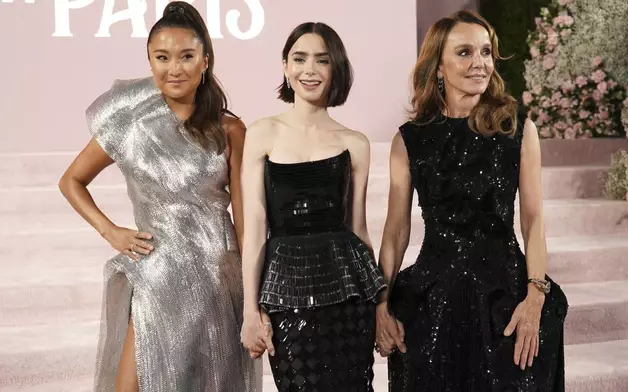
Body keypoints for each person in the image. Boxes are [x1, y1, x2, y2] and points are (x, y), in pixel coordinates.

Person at [58, 2, 259, 391]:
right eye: (162, 57)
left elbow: (246, 218)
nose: (174, 68)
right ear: (149, 62)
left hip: (218, 274)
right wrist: (111, 231)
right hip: (157, 272)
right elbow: (71, 181)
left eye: (186, 56)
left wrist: (252, 293)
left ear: (205, 60)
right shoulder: (130, 123)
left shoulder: (230, 129)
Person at [375, 10, 569, 392]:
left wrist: (534, 296)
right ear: (439, 67)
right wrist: (381, 304)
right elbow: (396, 231)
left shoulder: (517, 127)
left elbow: (533, 220)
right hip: (434, 301)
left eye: (485, 52)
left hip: (507, 298)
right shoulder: (409, 140)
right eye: (464, 52)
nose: (479, 63)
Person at [238, 22, 386, 392]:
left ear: (335, 68)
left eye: (321, 60)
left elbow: (359, 230)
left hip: (348, 295)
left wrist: (382, 305)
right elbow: (255, 227)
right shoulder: (261, 133)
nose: (309, 70)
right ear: (286, 67)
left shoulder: (355, 143)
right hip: (285, 288)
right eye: (299, 59)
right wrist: (249, 310)